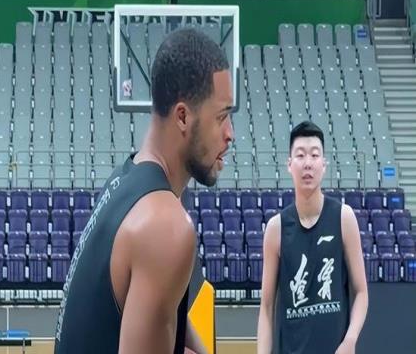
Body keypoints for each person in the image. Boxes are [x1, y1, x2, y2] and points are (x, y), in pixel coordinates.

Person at [54, 28, 234, 354]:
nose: (230, 133)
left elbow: (164, 314)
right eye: (221, 117)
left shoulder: (126, 179)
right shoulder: (164, 225)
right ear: (183, 117)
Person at [257, 121, 368, 354]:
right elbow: (266, 307)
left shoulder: (343, 218)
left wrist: (350, 340)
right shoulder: (276, 228)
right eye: (300, 155)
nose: (308, 163)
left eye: (315, 155)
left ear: (324, 165)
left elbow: (361, 292)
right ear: (289, 165)